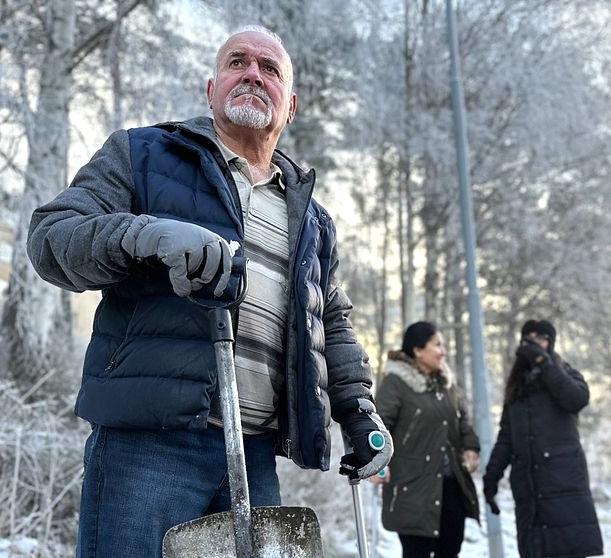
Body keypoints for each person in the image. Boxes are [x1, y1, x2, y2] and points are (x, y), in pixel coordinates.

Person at [27, 25, 392, 557]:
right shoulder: (143, 153)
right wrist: (145, 234)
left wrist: (357, 407)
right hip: (149, 446)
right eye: (237, 62)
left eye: (269, 69)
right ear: (211, 88)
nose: (252, 74)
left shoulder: (311, 218)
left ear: (289, 107)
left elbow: (328, 318)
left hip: (256, 453)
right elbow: (51, 238)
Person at [483, 320, 604, 557]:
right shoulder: (517, 387)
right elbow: (507, 436)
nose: (534, 344)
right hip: (530, 492)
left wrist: (545, 364)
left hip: (564, 486)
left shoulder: (566, 374)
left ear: (551, 343)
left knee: (568, 550)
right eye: (529, 338)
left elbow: (576, 399)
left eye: (541, 339)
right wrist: (491, 477)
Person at [371, 321, 481, 557]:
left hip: (451, 487)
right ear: (418, 350)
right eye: (437, 345)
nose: (443, 351)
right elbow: (378, 427)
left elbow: (462, 420)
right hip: (412, 488)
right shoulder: (396, 383)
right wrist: (377, 464)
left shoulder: (446, 384)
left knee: (450, 550)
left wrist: (470, 447)